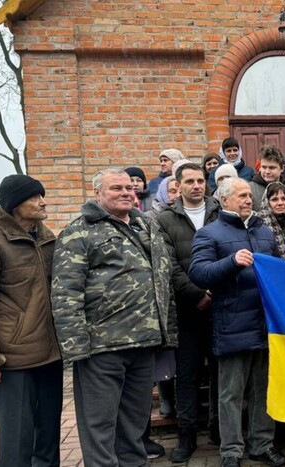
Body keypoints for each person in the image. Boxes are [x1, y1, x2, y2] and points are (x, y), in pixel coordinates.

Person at [51, 168, 178, 465]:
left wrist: (166, 332)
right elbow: (65, 293)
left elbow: (163, 280)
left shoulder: (146, 226)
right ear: (97, 194)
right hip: (101, 348)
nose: (125, 192)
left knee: (134, 424)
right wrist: (77, 348)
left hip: (144, 343)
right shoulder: (79, 231)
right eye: (115, 188)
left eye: (128, 188)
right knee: (100, 426)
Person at [189, 178, 285, 467]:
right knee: (230, 393)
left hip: (265, 323)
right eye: (242, 195)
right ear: (224, 200)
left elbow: (279, 270)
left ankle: (262, 444)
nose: (248, 200)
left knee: (263, 389)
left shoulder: (264, 231)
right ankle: (231, 451)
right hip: (232, 323)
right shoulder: (210, 233)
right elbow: (199, 273)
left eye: (250, 195)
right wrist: (231, 261)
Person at [0, 175, 63, 466]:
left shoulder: (48, 238)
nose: (43, 201)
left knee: (48, 438)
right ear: (14, 204)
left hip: (51, 355)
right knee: (16, 442)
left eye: (42, 195)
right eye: (34, 197)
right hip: (12, 362)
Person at [157, 162, 221, 462]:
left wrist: (214, 291)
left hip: (222, 306)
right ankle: (186, 435)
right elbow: (167, 263)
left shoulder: (221, 211)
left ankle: (219, 430)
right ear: (178, 186)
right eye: (190, 181)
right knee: (187, 375)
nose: (197, 186)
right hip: (186, 309)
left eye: (201, 181)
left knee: (222, 371)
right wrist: (196, 294)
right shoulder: (164, 219)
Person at [249, 145, 285, 212]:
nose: (267, 171)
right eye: (264, 167)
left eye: (272, 168)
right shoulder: (249, 190)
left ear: (282, 168)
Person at [256, 182, 285, 258]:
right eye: (274, 199)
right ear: (267, 202)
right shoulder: (258, 222)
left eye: (284, 199)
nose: (280, 203)